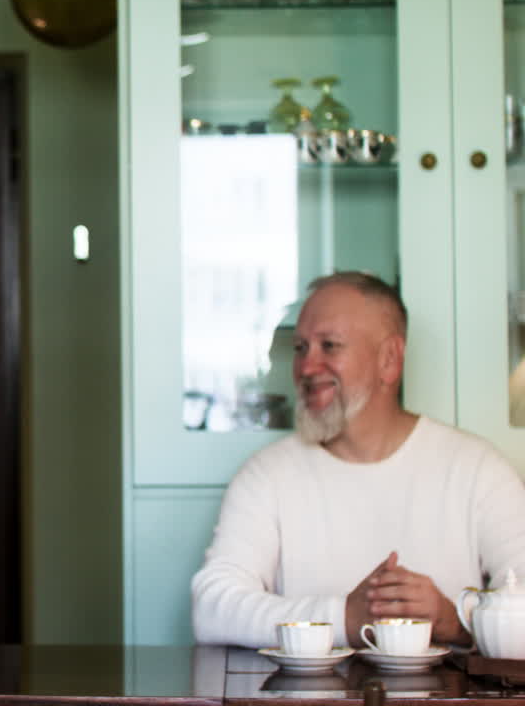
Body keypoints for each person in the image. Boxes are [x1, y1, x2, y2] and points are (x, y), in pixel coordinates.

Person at [191, 270, 525, 650]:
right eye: (300, 348)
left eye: (329, 345)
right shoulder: (266, 475)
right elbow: (212, 608)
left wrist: (455, 620)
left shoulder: (478, 469)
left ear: (389, 359)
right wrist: (344, 618)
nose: (306, 367)